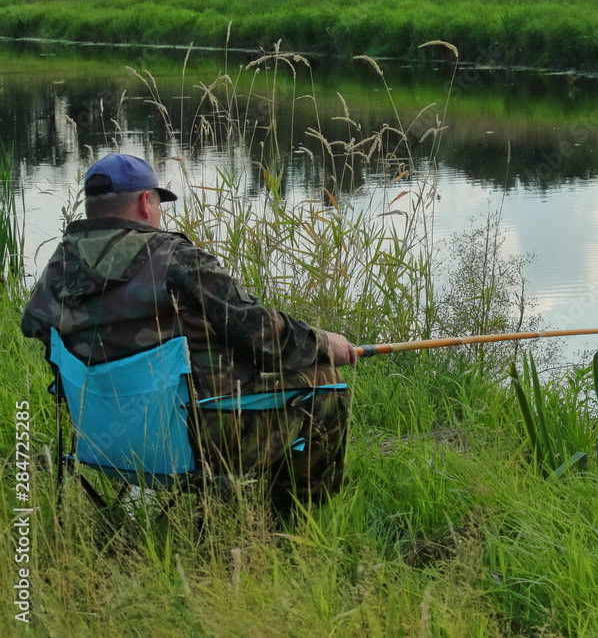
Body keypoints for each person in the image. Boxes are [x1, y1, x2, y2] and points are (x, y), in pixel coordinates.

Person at [21, 153, 357, 511]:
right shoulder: (176, 260)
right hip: (189, 439)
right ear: (144, 203)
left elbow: (35, 327)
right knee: (326, 382)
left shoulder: (57, 268)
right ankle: (288, 522)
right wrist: (323, 342)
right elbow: (264, 337)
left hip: (101, 439)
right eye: (156, 201)